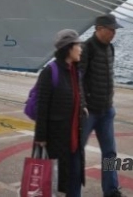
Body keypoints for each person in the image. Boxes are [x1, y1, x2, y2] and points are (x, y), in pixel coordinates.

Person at [34, 29, 86, 197]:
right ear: (69, 48)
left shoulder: (75, 71)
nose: (81, 49)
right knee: (53, 182)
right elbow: (42, 107)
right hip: (55, 139)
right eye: (78, 45)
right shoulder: (50, 72)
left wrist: (83, 108)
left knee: (74, 177)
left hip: (74, 137)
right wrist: (40, 137)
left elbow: (78, 96)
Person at [80, 14, 124, 197]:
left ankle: (111, 190)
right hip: (89, 112)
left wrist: (110, 101)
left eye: (115, 30)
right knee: (76, 152)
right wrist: (82, 104)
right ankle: (72, 191)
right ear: (98, 28)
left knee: (110, 152)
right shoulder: (86, 48)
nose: (113, 33)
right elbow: (79, 78)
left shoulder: (110, 48)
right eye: (110, 29)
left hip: (106, 110)